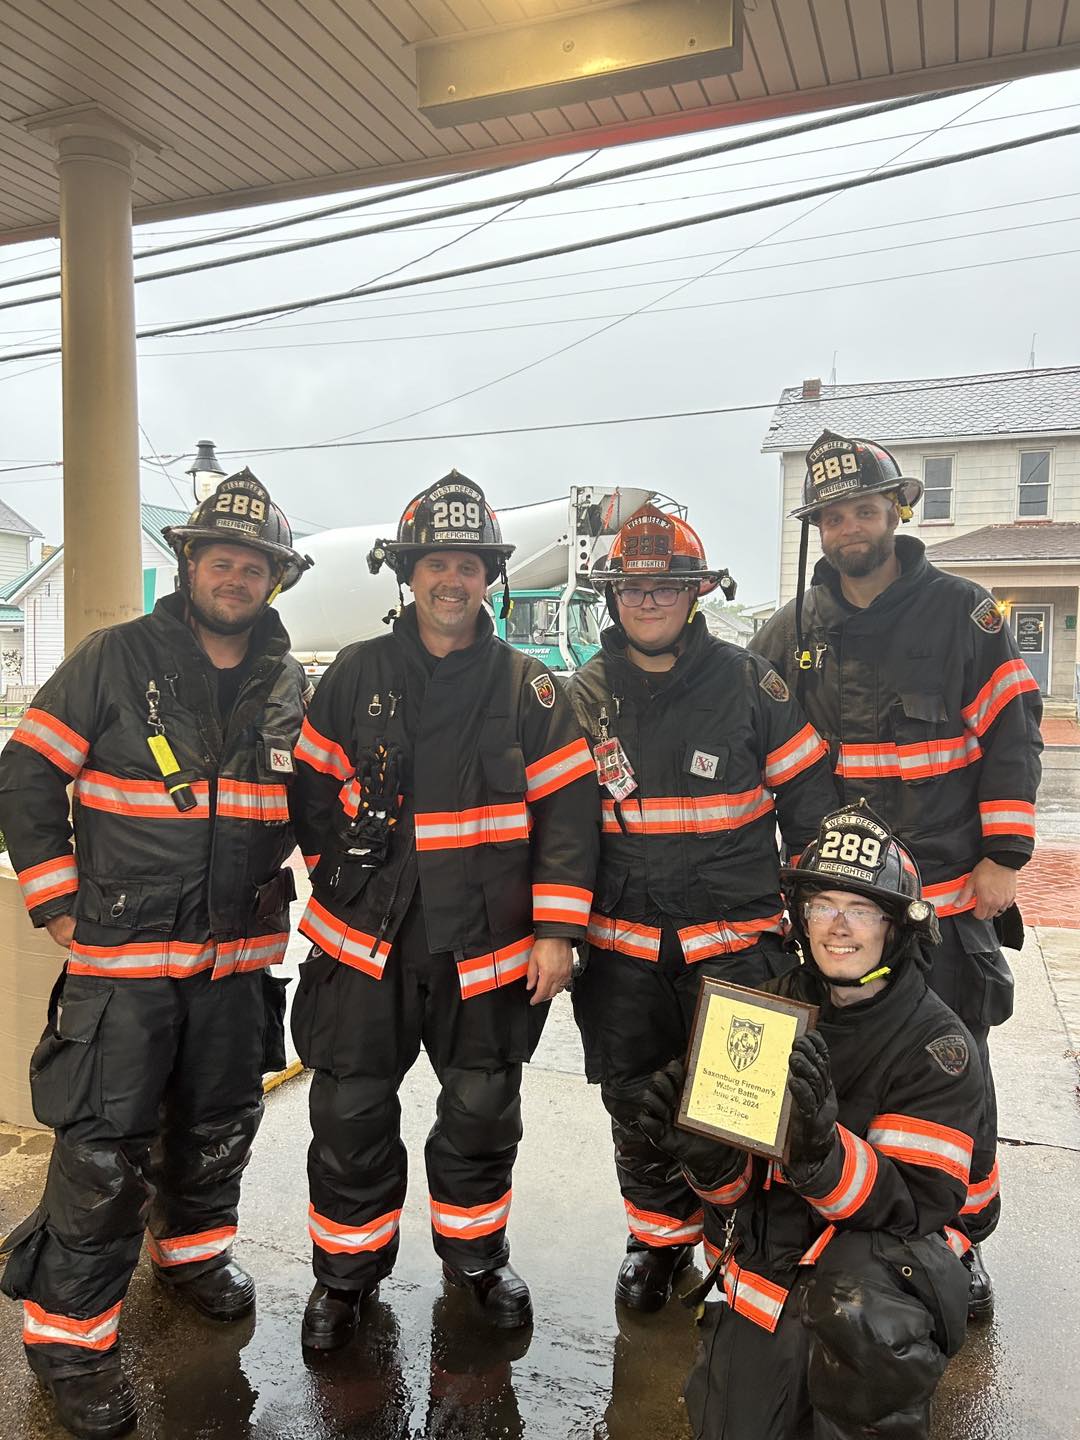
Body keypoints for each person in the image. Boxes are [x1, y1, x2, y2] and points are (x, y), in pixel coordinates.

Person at [0, 470, 312, 1440]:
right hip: (125, 968)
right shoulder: (114, 657)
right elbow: (26, 771)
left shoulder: (287, 682)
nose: (235, 577)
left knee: (219, 1126)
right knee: (104, 1153)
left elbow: (320, 803)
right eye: (221, 560)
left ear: (273, 579)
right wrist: (56, 900)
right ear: (190, 565)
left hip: (237, 964)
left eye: (253, 565)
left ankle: (192, 1257)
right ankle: (68, 1346)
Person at [290, 470, 598, 1349]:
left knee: (481, 1113)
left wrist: (556, 932)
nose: (451, 581)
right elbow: (310, 794)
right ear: (408, 574)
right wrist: (339, 880)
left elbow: (569, 816)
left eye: (468, 565)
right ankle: (344, 1278)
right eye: (435, 564)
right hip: (366, 945)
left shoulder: (530, 688)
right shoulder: (355, 674)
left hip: (486, 950)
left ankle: (477, 1263)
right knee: (348, 1115)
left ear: (489, 577)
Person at [750, 429, 1042, 1316]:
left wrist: (1004, 856)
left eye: (864, 510)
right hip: (838, 912)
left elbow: (1013, 733)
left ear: (896, 512)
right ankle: (851, 1223)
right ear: (819, 528)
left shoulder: (962, 614)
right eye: (833, 516)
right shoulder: (787, 633)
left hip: (945, 902)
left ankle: (961, 1238)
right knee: (840, 1070)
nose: (850, 528)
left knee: (958, 1069)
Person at [637, 802, 985, 1440]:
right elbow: (736, 1204)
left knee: (862, 1313)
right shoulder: (763, 1012)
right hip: (771, 1274)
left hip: (872, 1281)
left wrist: (822, 1155)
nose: (838, 927)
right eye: (823, 905)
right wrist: (705, 1159)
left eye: (861, 909)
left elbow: (916, 1207)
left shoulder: (936, 1046)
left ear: (897, 927)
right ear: (801, 918)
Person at [566, 503, 837, 1312]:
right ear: (611, 596)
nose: (648, 601)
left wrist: (820, 929)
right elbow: (555, 831)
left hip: (738, 952)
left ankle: (738, 1247)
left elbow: (811, 811)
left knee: (738, 1111)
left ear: (697, 593)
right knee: (636, 1107)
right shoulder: (582, 697)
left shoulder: (751, 685)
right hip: (622, 959)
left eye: (667, 587)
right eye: (633, 588)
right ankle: (657, 1243)